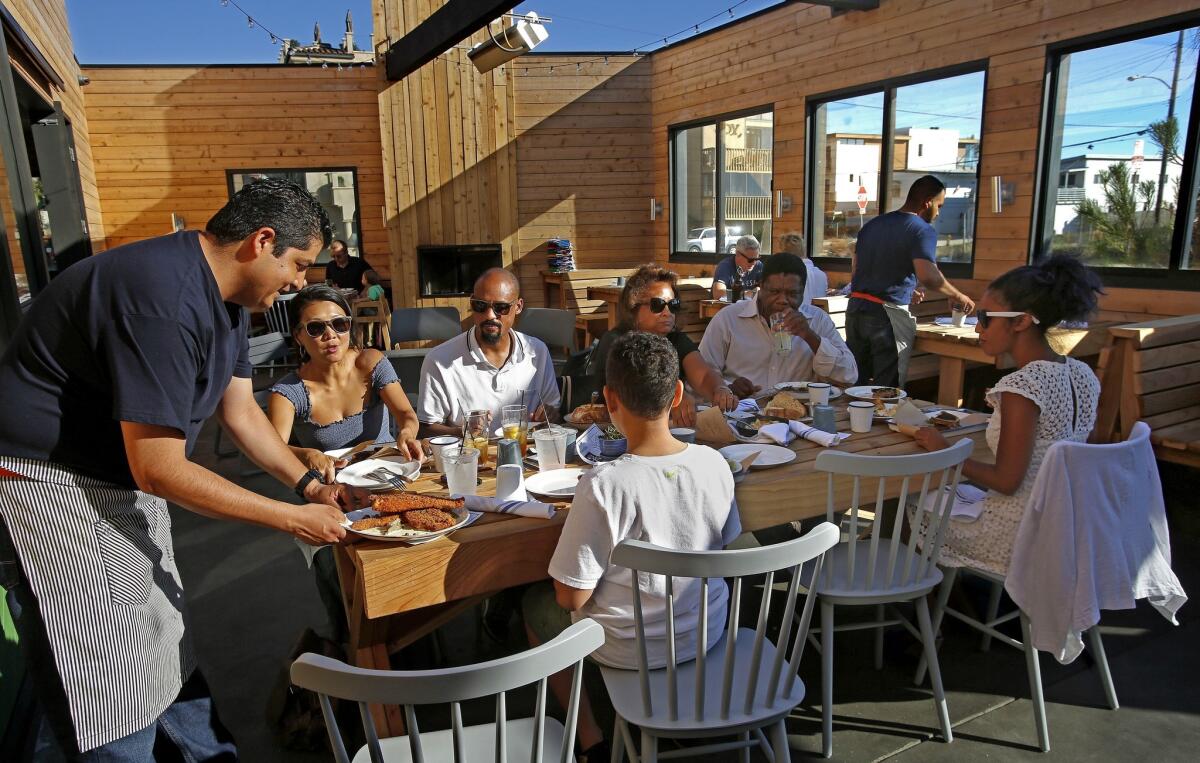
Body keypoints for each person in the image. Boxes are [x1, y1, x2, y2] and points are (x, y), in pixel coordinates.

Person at [0, 178, 353, 759]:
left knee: (162, 638)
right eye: (298, 264)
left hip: (114, 483)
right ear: (261, 241)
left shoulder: (234, 299)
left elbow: (240, 412)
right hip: (47, 492)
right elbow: (159, 469)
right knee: (102, 683)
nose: (299, 283)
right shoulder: (160, 298)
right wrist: (292, 519)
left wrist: (310, 484)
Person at [523, 331, 741, 761]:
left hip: (628, 648)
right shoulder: (716, 463)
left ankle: (591, 740)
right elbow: (725, 543)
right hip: (707, 630)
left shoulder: (605, 484)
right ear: (677, 393)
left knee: (535, 606)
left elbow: (571, 595)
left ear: (609, 400)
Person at [911, 255, 1104, 575]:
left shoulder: (1022, 386)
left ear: (1021, 321)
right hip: (1064, 524)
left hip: (1016, 533)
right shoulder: (1082, 374)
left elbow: (1007, 482)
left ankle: (916, 601)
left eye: (986, 317)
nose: (978, 326)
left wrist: (945, 451)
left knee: (911, 502)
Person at [266, 284, 420, 642]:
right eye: (316, 328)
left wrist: (408, 432)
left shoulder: (371, 362)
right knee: (334, 568)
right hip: (332, 496)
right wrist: (305, 453)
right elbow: (272, 447)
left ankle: (410, 631)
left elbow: (406, 414)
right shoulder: (289, 391)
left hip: (388, 484)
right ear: (299, 336)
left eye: (340, 324)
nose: (330, 336)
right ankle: (354, 642)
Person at [845, 175, 975, 387]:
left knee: (857, 384)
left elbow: (856, 269)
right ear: (927, 202)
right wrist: (957, 295)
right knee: (887, 389)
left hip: (856, 310)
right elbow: (928, 275)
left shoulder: (872, 225)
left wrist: (903, 288)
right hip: (888, 315)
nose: (939, 212)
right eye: (939, 205)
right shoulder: (921, 230)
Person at [584, 264, 738, 426]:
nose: (667, 312)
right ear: (633, 308)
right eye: (657, 305)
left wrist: (720, 389)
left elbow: (704, 374)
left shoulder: (675, 339)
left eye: (673, 305)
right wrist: (673, 398)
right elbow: (637, 388)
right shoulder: (616, 341)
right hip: (612, 430)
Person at [417, 267, 560, 436]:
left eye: (501, 307)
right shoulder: (440, 360)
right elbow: (425, 428)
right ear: (471, 303)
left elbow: (554, 411)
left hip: (525, 455)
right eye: (480, 305)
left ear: (519, 306)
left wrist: (549, 413)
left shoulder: (537, 352)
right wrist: (462, 431)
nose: (490, 315)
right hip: (469, 457)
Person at [700, 252, 857, 398]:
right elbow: (702, 373)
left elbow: (849, 376)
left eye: (792, 294)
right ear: (760, 287)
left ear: (803, 292)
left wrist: (810, 337)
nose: (783, 300)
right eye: (774, 292)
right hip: (742, 413)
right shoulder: (729, 319)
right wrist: (728, 388)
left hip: (799, 417)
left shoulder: (817, 320)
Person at [779, 230, 828, 306]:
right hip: (819, 316)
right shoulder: (821, 274)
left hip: (797, 316)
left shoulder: (790, 274)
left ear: (785, 254)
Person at [711, 234, 764, 301]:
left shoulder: (759, 266)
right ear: (738, 254)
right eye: (750, 260)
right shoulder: (725, 266)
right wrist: (746, 294)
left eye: (756, 259)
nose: (754, 263)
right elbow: (718, 294)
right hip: (726, 309)